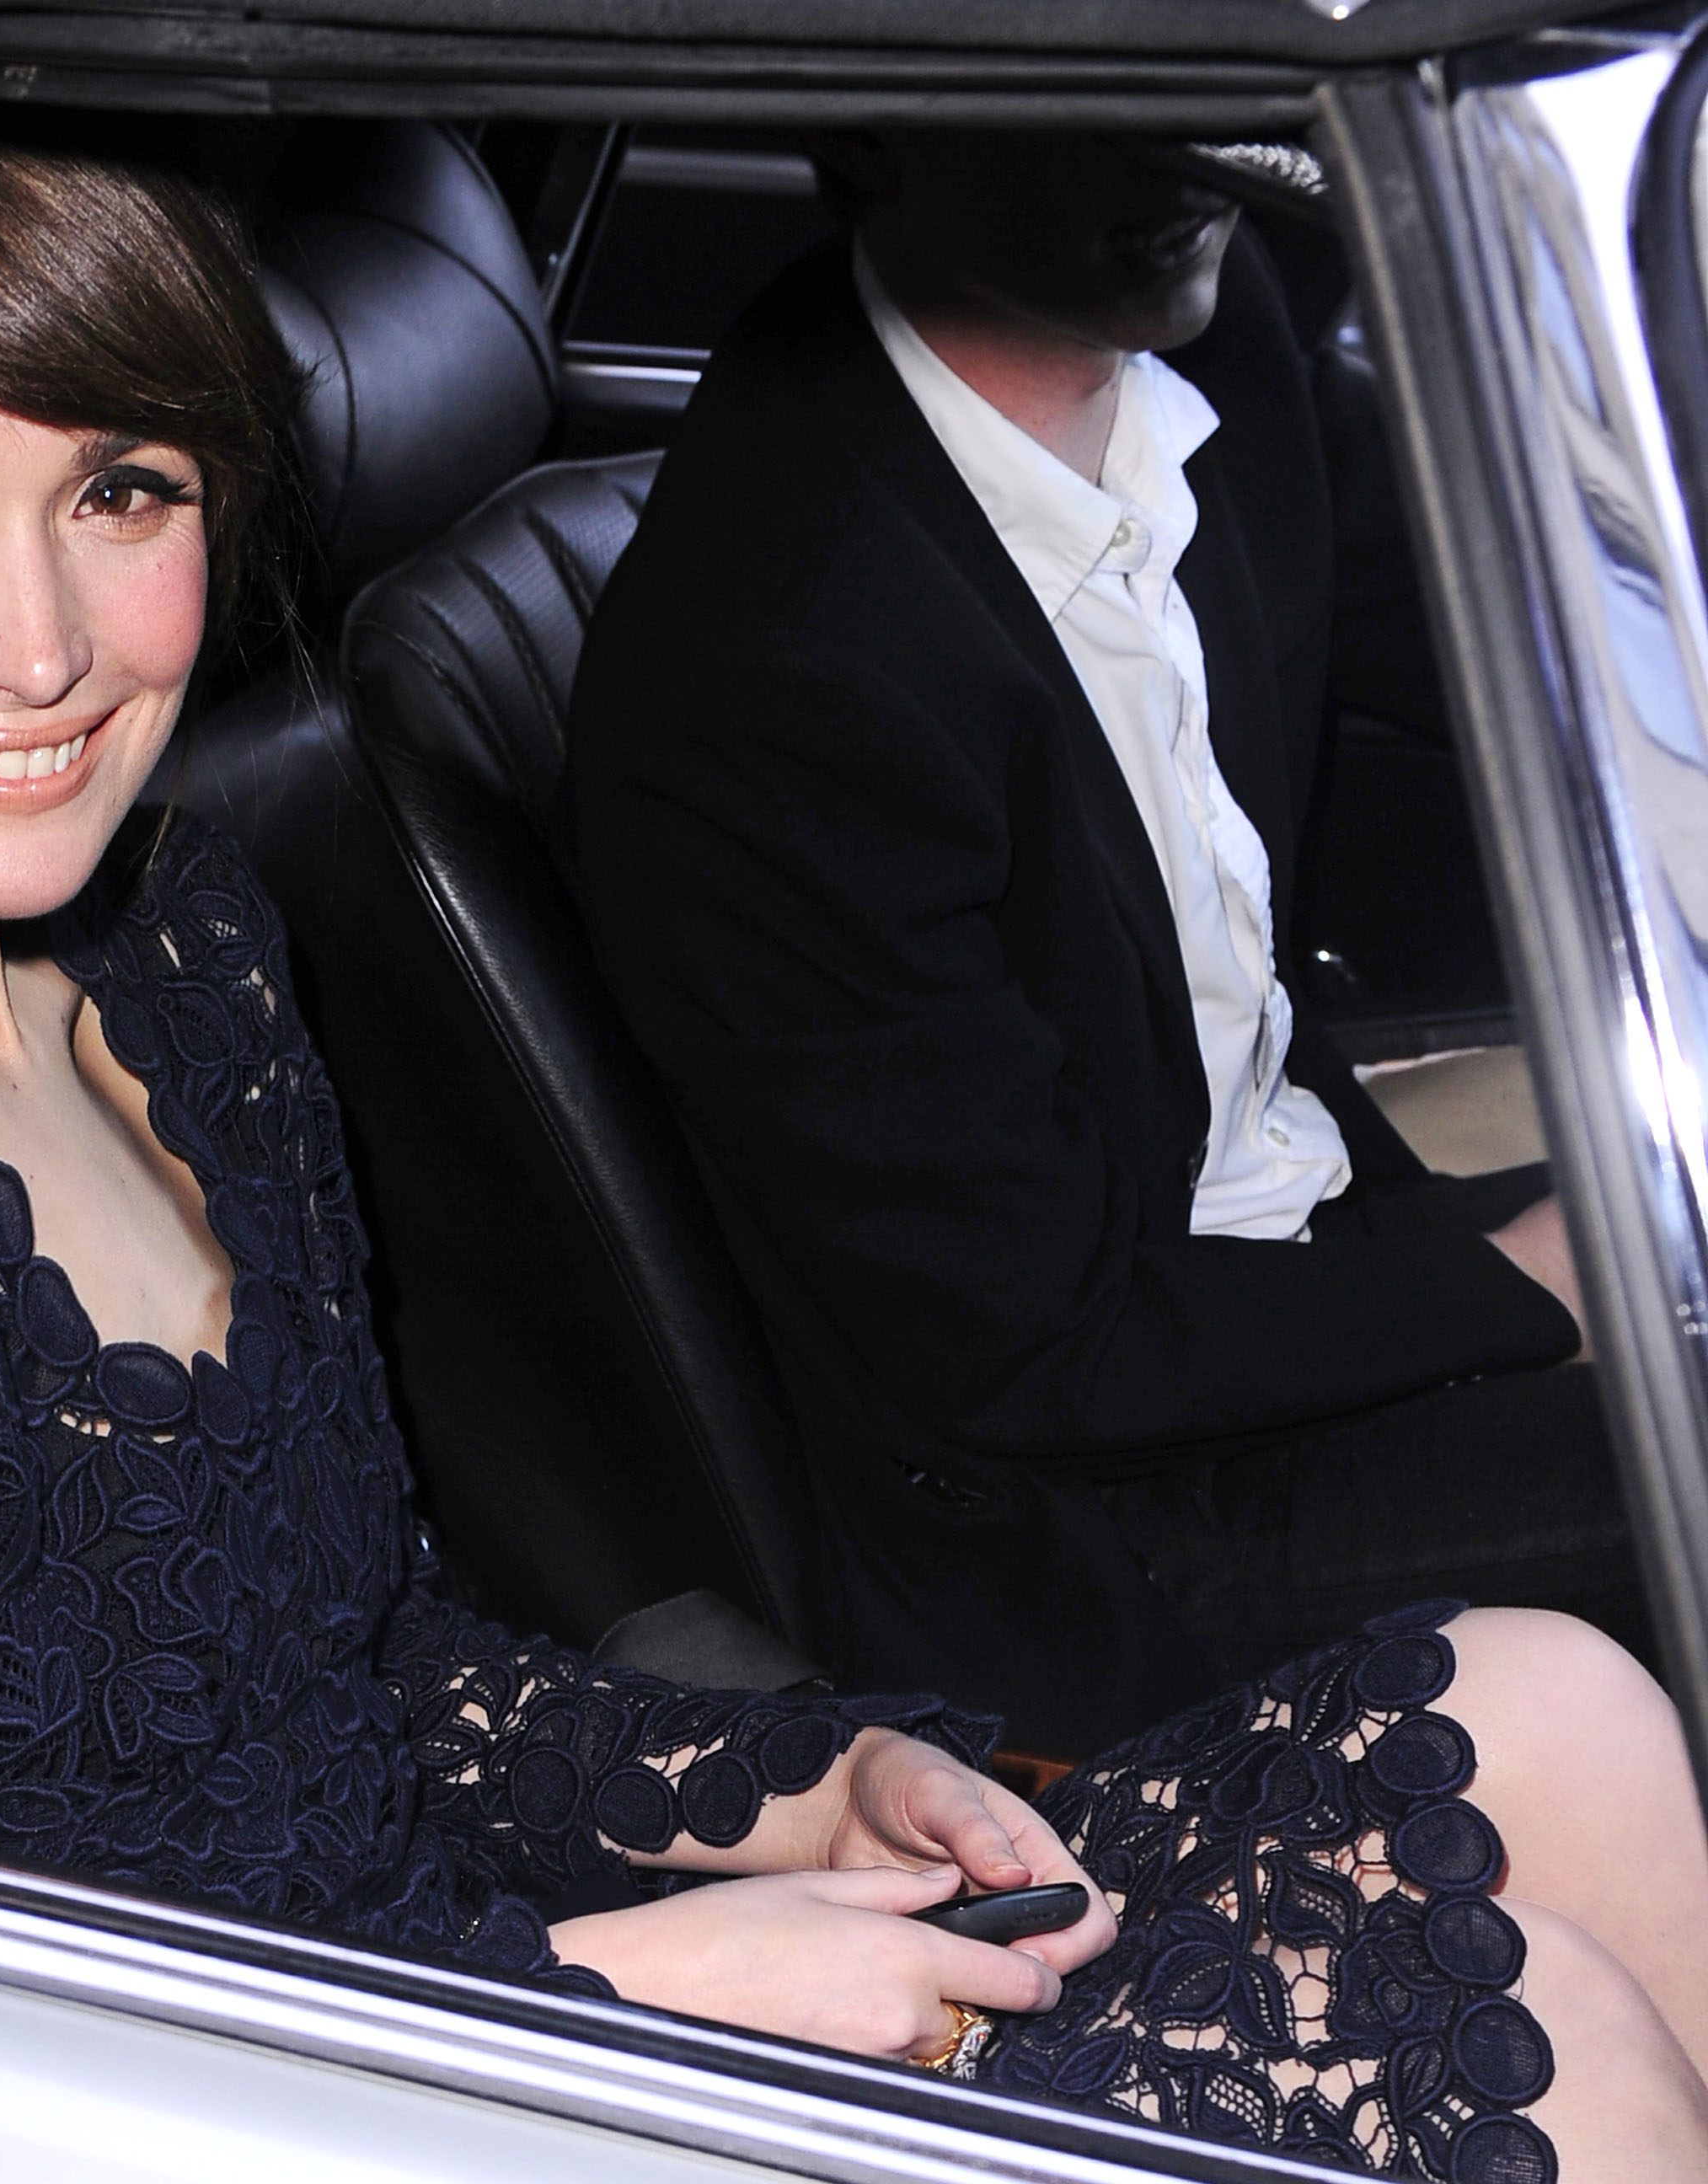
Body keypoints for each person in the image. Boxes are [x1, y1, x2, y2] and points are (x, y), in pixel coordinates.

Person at [0, 126, 1708, 2181]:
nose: (42, 645)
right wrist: (647, 1987)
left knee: (1560, 1713)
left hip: (475, 1958)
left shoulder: (175, 956)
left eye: (122, 492)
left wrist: (797, 1792)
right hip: (329, 2097)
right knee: (1543, 2039)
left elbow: (379, 1668)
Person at [560, 131, 1646, 1753]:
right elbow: (1034, 1347)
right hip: (1111, 1518)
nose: (1183, 144)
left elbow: (1534, 654)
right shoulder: (775, 666)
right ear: (871, 121)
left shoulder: (1220, 333)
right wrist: (1534, 1279)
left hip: (1294, 1247)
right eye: (1087, 73)